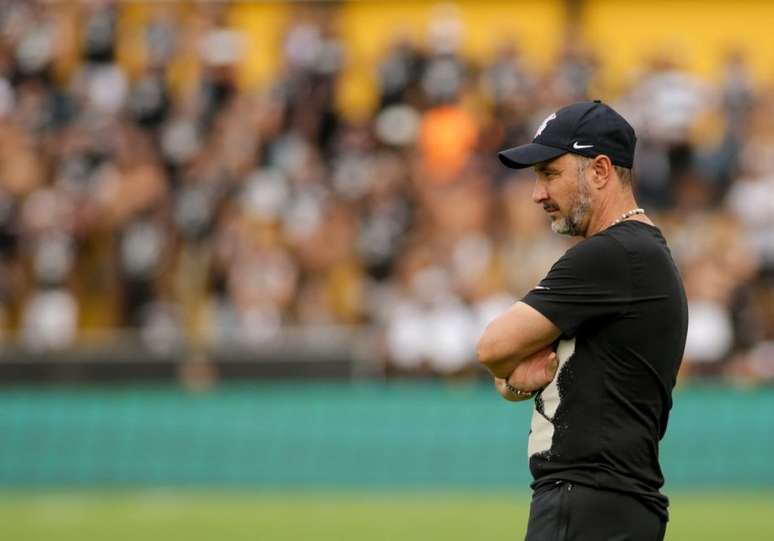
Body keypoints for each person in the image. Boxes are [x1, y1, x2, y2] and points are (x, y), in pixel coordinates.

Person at [476, 100, 688, 540]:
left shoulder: (611, 254)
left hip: (588, 502)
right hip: (614, 503)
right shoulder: (639, 254)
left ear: (600, 170)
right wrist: (514, 379)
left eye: (550, 173)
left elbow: (493, 347)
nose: (538, 193)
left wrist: (506, 371)